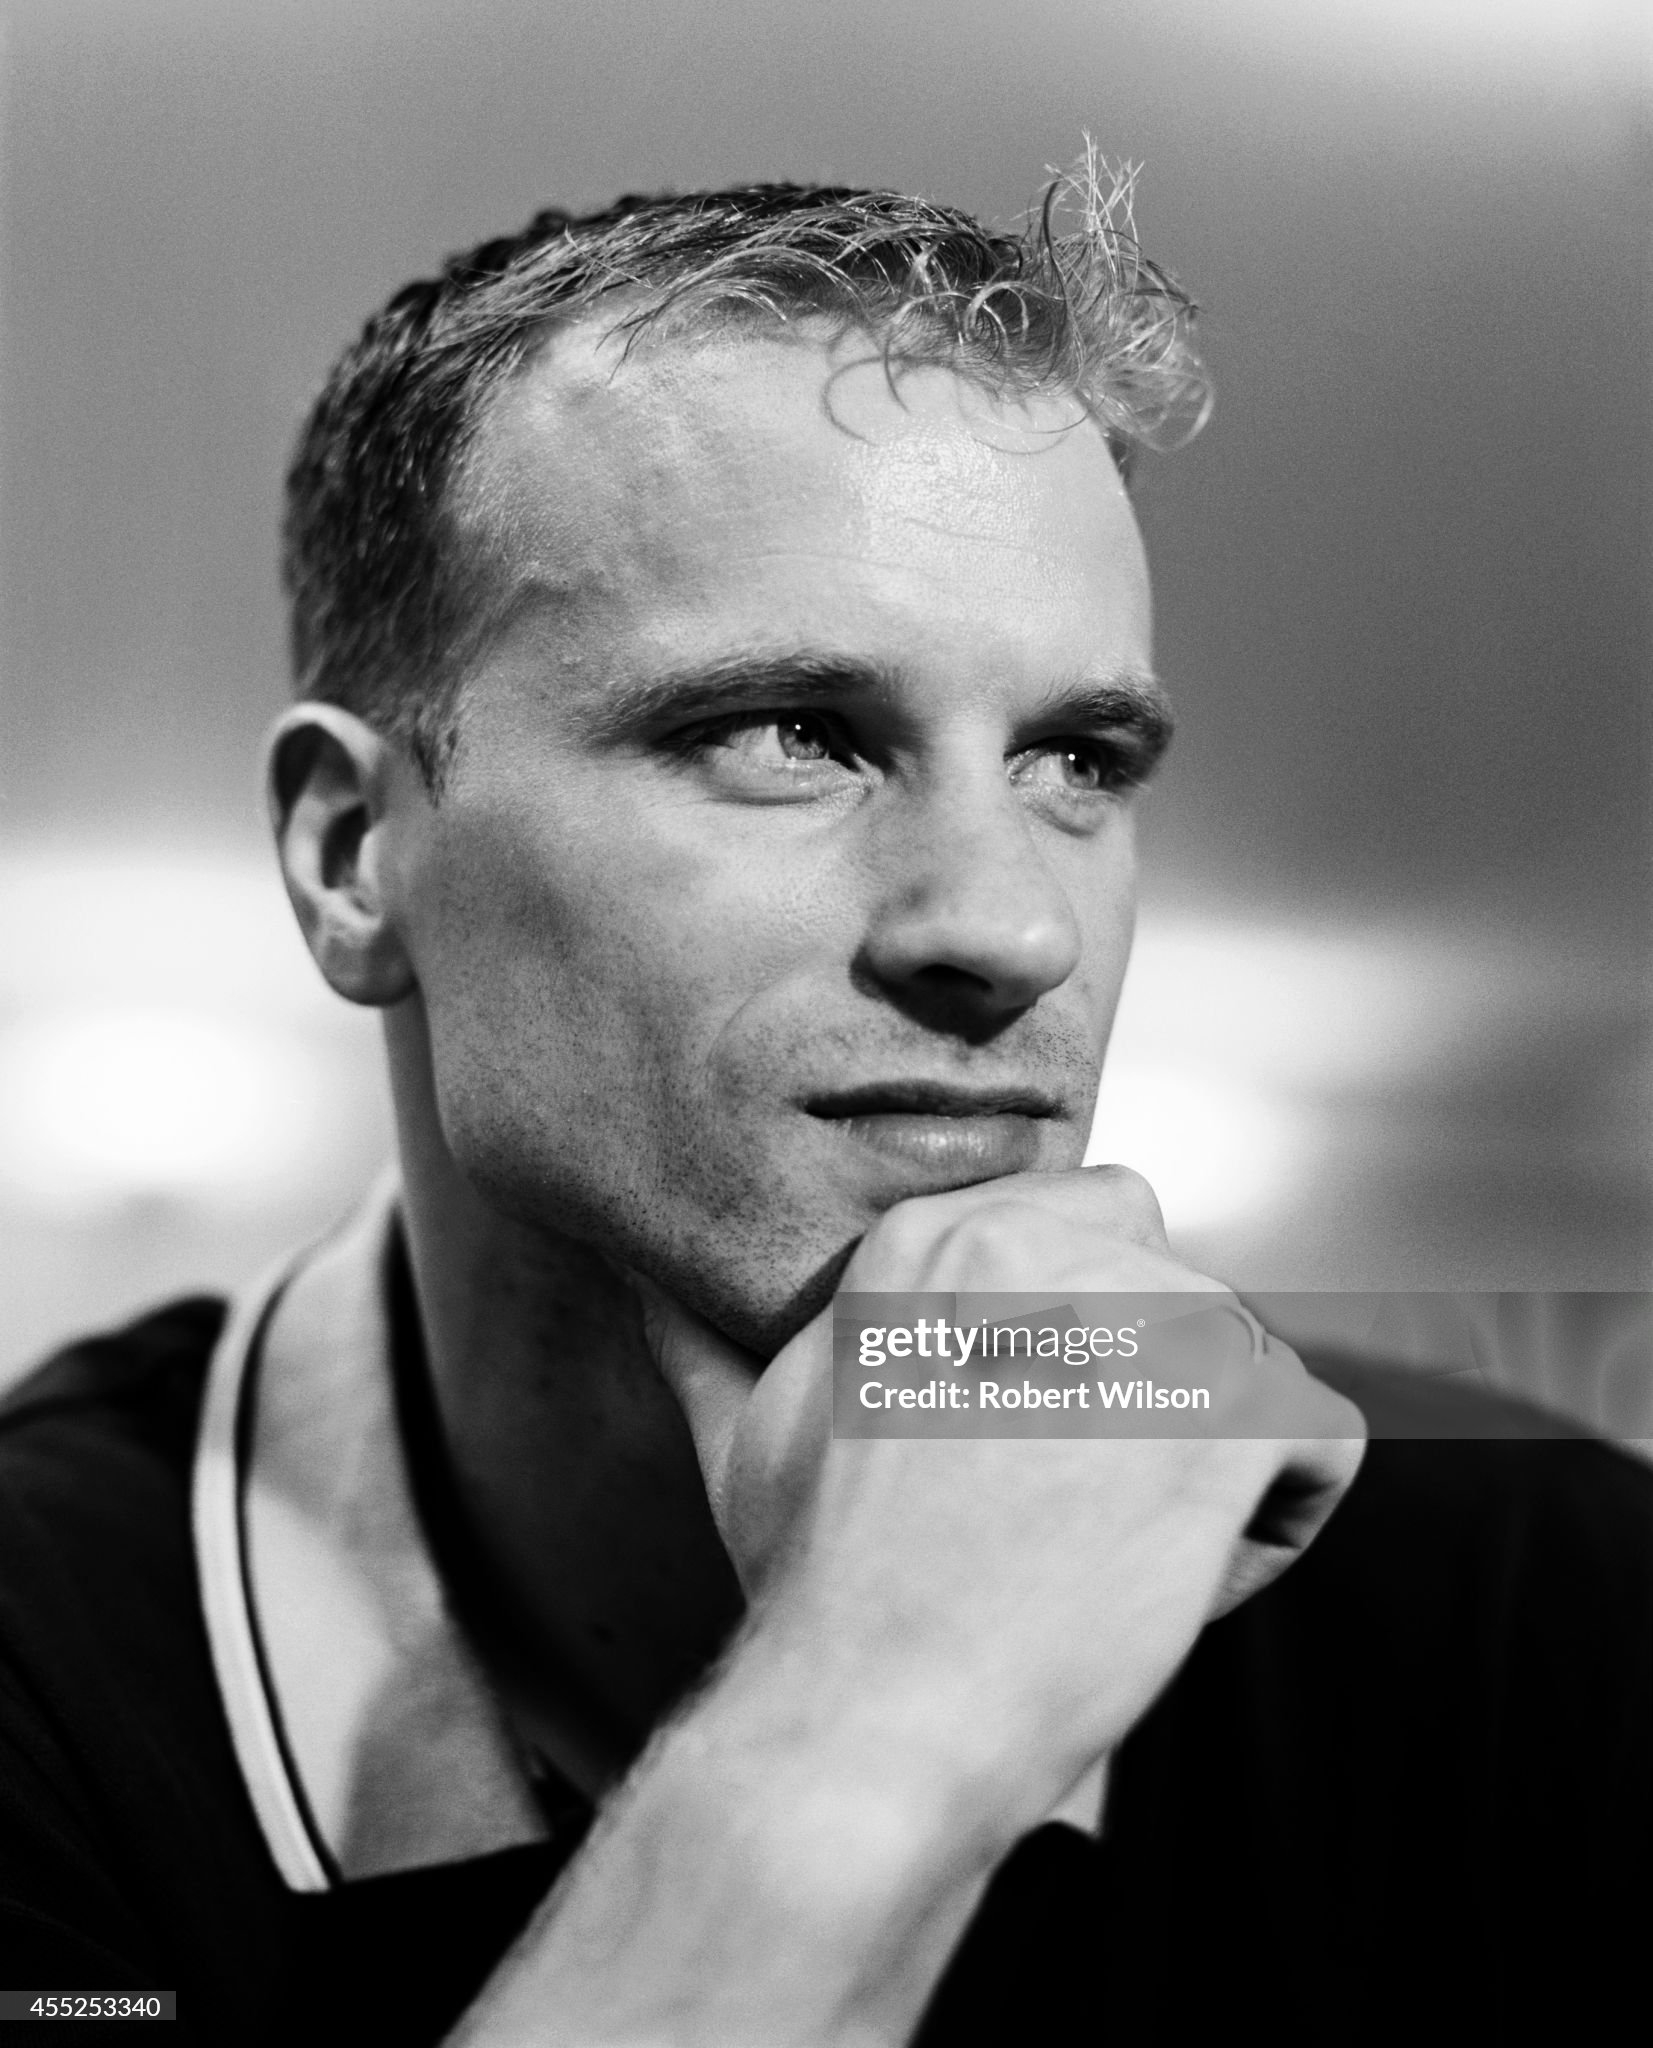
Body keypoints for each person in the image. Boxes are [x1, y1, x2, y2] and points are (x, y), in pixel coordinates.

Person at [1, 165, 1648, 2046]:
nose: (1008, 929)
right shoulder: (47, 1650)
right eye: (789, 734)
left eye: (1074, 757)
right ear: (351, 856)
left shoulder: (1540, 1587)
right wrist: (879, 1712)